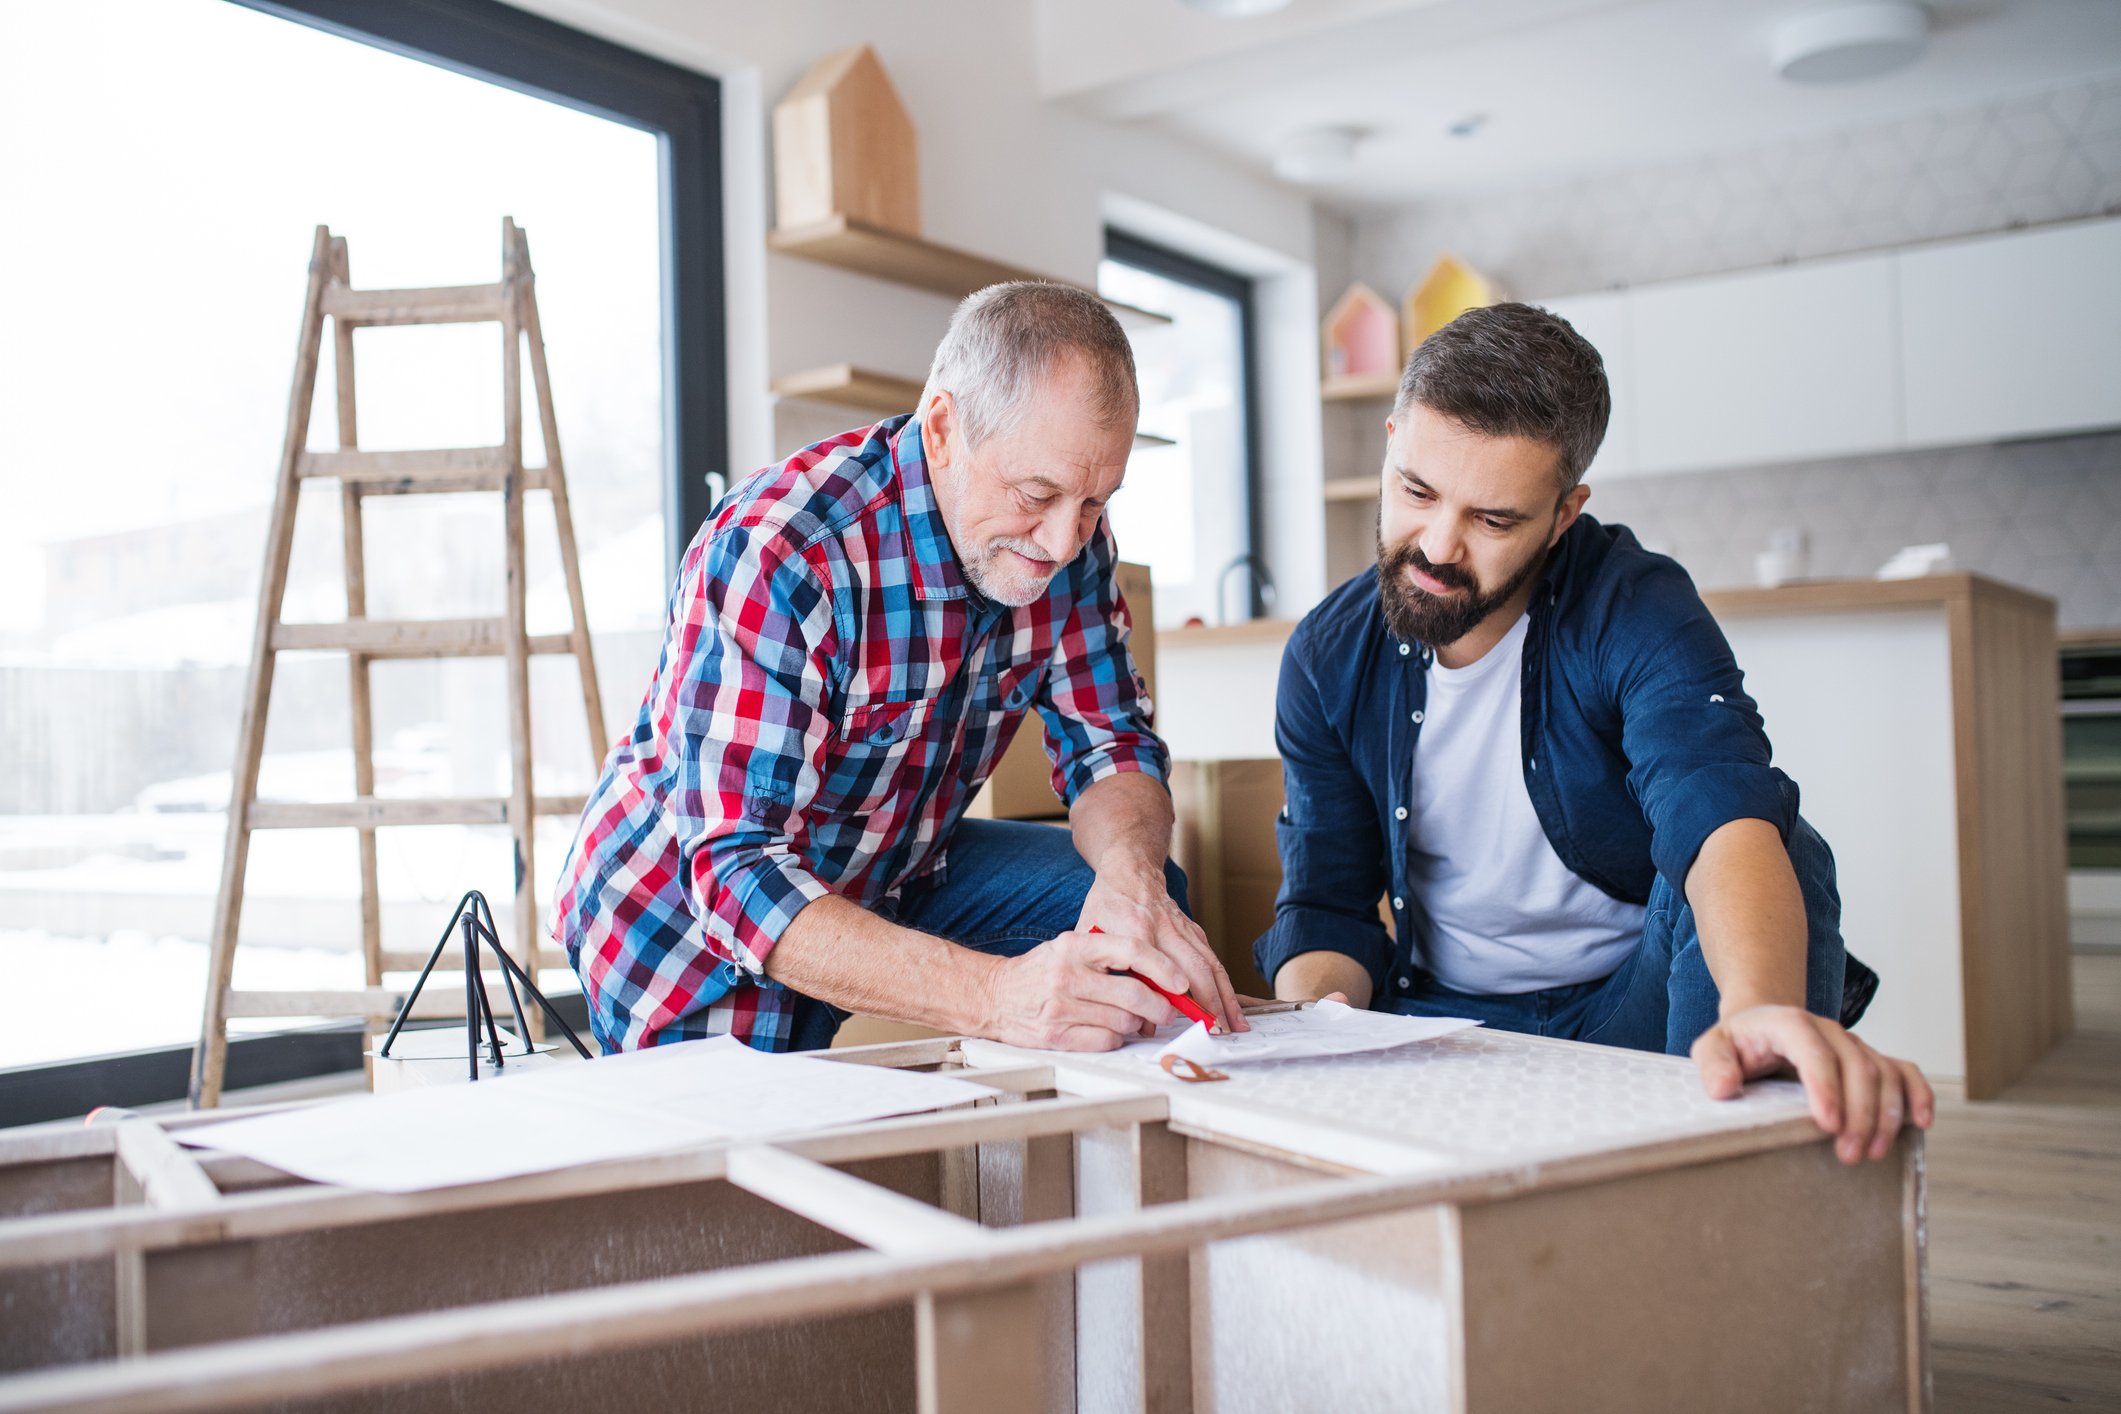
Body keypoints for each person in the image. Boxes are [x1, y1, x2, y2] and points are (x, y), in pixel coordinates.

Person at [1257, 302, 1931, 1165]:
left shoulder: (1635, 604)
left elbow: (1718, 812)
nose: (1436, 544)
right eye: (1415, 490)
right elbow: (1326, 905)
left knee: (1788, 844)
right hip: (1441, 1023)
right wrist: (1314, 1039)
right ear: (1391, 442)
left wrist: (1758, 1008)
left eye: (1493, 520)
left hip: (1627, 1009)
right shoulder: (1325, 653)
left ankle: (1741, 1161)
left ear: (1563, 512)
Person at [554, 281, 1243, 1055]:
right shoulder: (783, 549)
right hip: (684, 929)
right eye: (1037, 493)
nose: (1062, 542)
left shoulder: (1072, 539)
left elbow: (1111, 745)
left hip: (893, 866)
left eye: (1093, 501)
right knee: (758, 1166)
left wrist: (1132, 881)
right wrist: (993, 997)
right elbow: (737, 875)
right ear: (943, 429)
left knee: (1138, 916)